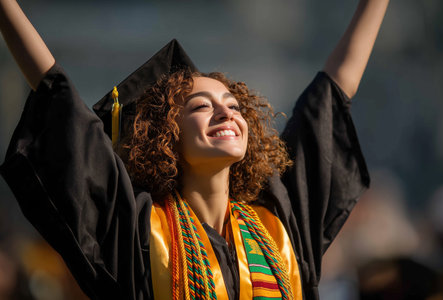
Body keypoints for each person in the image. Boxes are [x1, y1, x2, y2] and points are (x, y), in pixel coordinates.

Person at [0, 0, 389, 299]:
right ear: (167, 134)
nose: (226, 112)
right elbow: (56, 94)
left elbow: (331, 95)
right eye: (202, 106)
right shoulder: (138, 234)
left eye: (234, 107)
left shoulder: (278, 227)